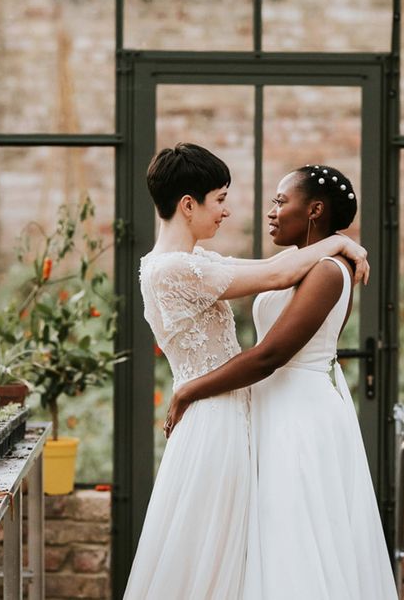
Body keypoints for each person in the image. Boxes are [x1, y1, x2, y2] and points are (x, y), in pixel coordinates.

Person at [123, 145, 369, 600]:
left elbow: (274, 270)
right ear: (188, 204)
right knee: (207, 548)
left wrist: (337, 243)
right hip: (213, 416)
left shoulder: (195, 263)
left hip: (232, 410)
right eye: (219, 199)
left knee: (230, 547)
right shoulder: (176, 269)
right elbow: (276, 277)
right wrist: (340, 241)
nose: (227, 210)